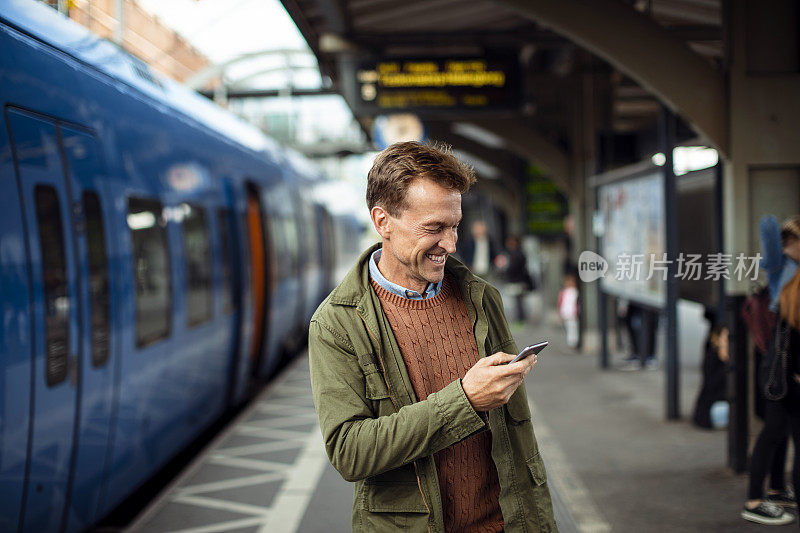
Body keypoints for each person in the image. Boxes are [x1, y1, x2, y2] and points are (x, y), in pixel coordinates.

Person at [308, 142, 557, 532]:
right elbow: (349, 452)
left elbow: (520, 440)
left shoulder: (482, 298)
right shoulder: (337, 324)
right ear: (382, 221)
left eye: (454, 225)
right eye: (434, 228)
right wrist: (466, 400)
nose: (451, 244)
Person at [742, 215, 800, 525]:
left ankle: (776, 489)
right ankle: (753, 500)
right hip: (780, 364)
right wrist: (787, 232)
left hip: (784, 361)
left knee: (783, 430)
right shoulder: (781, 268)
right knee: (773, 431)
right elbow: (766, 224)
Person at [692, 322, 729, 429]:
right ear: (717, 341)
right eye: (726, 340)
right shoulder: (712, 359)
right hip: (713, 407)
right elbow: (714, 387)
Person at [496, 234, 534, 323]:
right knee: (516, 302)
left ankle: (520, 319)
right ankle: (518, 319)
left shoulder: (519, 254)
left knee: (519, 302)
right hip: (513, 281)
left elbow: (516, 268)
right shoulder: (508, 254)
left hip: (518, 281)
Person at [558, 272, 579, 348]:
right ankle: (571, 341)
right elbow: (560, 303)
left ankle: (573, 341)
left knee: (572, 326)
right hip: (566, 312)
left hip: (572, 312)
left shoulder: (575, 291)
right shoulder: (564, 292)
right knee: (569, 327)